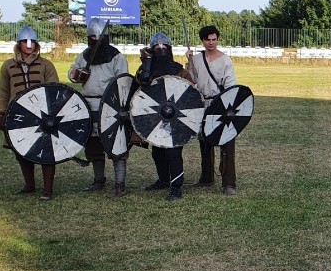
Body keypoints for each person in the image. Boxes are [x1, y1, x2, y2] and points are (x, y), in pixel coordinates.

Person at [0, 25, 60, 200]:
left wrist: (52, 112)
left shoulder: (46, 65)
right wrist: (0, 113)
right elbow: (3, 91)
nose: (28, 45)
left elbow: (54, 90)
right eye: (25, 41)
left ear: (36, 44)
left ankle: (47, 189)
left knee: (46, 150)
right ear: (19, 44)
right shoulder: (8, 66)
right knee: (20, 149)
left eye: (31, 42)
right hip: (18, 113)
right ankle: (29, 185)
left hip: (43, 115)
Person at [68, 18, 130, 197]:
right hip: (88, 104)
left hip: (111, 105)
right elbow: (72, 73)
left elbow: (124, 81)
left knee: (116, 143)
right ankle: (99, 179)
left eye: (98, 37)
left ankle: (120, 183)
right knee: (93, 143)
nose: (95, 40)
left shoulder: (116, 56)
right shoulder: (85, 55)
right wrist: (77, 74)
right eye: (92, 38)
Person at [136, 32, 196, 201]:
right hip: (155, 117)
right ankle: (163, 180)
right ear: (152, 49)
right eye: (157, 47)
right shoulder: (148, 71)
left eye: (164, 47)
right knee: (157, 151)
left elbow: (191, 95)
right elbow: (138, 86)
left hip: (176, 118)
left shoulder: (180, 72)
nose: (160, 49)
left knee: (173, 152)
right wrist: (145, 67)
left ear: (169, 49)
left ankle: (176, 187)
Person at [186, 25, 239, 196]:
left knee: (227, 143)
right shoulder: (197, 59)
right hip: (203, 104)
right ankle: (207, 177)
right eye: (207, 40)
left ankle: (229, 183)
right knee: (205, 142)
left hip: (222, 104)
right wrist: (189, 62)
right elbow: (192, 81)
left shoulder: (225, 60)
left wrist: (226, 105)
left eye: (214, 39)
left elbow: (231, 85)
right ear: (202, 41)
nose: (211, 43)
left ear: (217, 39)